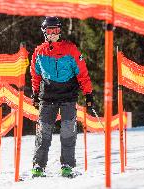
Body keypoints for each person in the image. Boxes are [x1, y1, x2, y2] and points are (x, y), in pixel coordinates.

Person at [30, 16, 94, 177]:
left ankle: (67, 165)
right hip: (47, 97)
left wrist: (88, 94)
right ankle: (38, 165)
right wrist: (35, 93)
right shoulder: (39, 52)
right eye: (49, 31)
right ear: (44, 32)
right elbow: (35, 75)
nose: (53, 34)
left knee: (67, 132)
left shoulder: (71, 49)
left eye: (56, 30)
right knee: (43, 132)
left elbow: (82, 73)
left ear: (60, 31)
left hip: (68, 96)